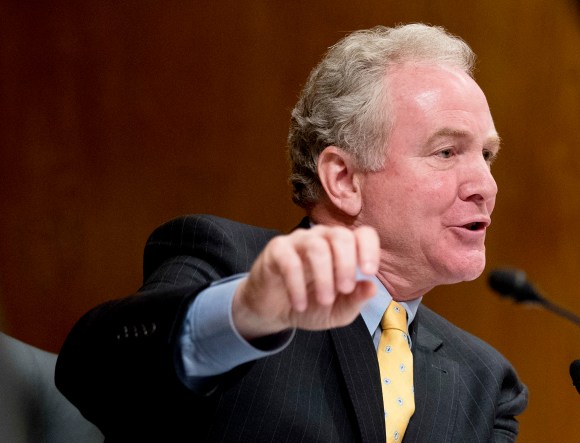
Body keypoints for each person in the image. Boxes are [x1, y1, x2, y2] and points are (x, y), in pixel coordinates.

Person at [55, 23, 528, 442]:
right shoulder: (231, 267)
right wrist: (244, 314)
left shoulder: (485, 385)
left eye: (486, 156)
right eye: (446, 152)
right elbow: (92, 374)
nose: (485, 186)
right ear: (343, 179)